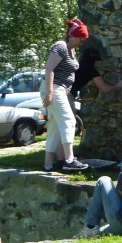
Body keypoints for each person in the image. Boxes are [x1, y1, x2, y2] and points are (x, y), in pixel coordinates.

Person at [42, 18, 91, 172]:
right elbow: (49, 69)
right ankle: (69, 160)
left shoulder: (72, 50)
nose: (82, 41)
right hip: (54, 88)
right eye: (81, 37)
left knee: (55, 126)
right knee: (69, 121)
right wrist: (49, 93)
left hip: (62, 90)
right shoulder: (60, 46)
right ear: (72, 35)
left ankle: (48, 163)